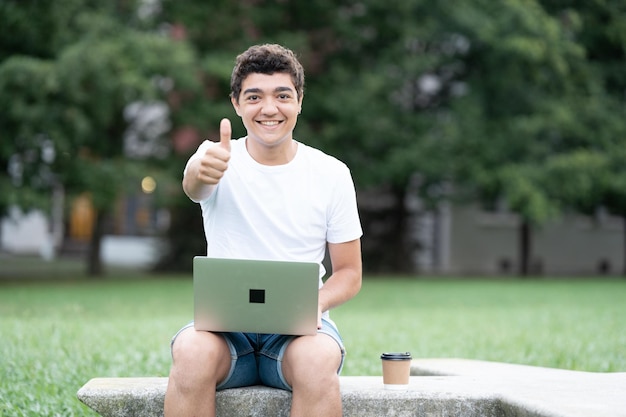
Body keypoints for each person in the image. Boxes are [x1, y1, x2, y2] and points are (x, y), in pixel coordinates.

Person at [164, 44, 363, 417]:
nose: (269, 109)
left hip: (300, 333)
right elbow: (195, 184)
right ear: (237, 104)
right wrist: (199, 172)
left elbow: (350, 274)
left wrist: (312, 303)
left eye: (282, 96)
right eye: (254, 96)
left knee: (318, 361)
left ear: (300, 101)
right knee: (190, 352)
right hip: (224, 334)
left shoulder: (332, 174)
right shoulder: (215, 158)